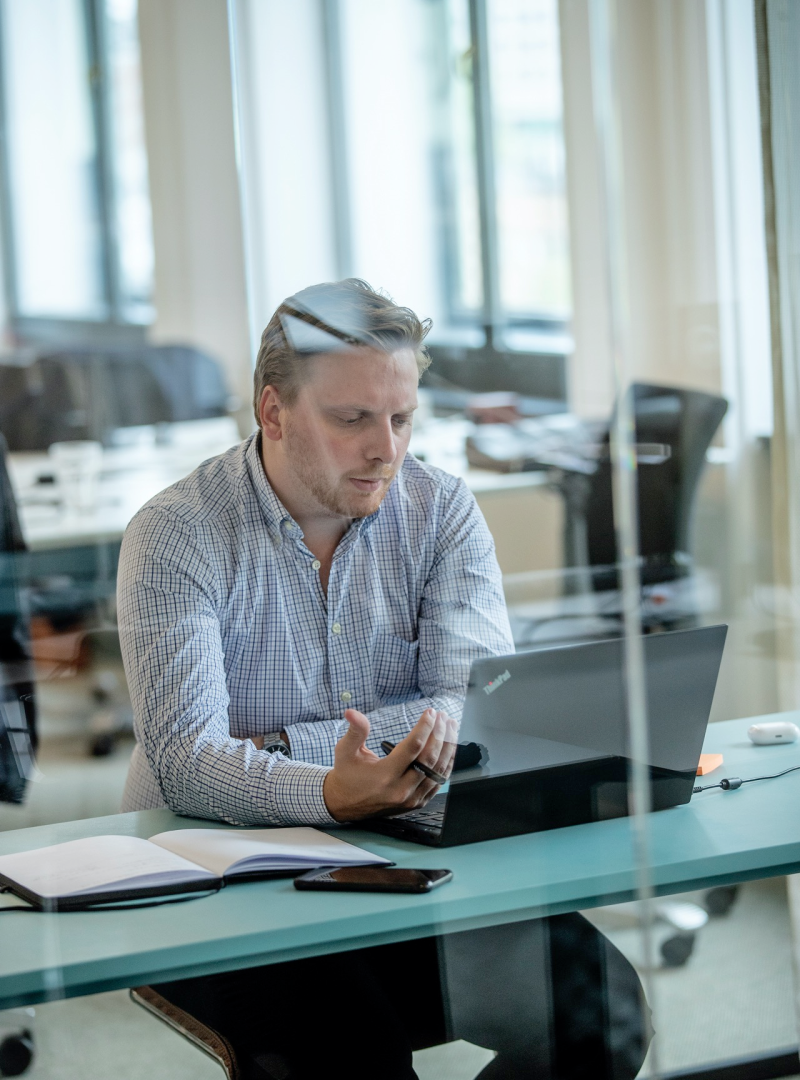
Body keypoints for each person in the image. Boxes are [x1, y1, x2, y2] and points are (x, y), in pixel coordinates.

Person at [118, 279, 650, 1080]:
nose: (386, 449)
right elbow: (189, 762)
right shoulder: (176, 534)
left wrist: (279, 749)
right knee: (354, 1055)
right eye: (352, 420)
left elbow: (472, 707)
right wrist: (332, 791)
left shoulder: (442, 511)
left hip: (402, 846)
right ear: (273, 413)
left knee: (605, 1015)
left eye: (402, 418)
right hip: (225, 870)